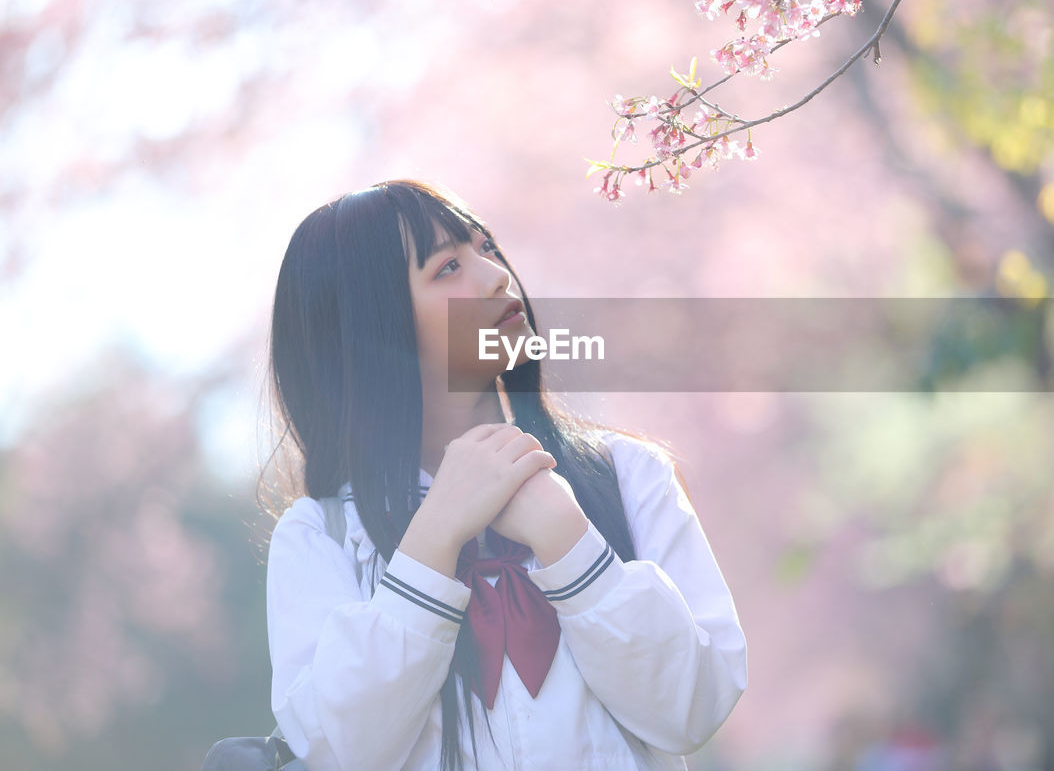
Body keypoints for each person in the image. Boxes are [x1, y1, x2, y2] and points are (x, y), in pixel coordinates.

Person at [262, 179, 748, 771]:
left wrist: (572, 545)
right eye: (447, 268)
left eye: (486, 247)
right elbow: (339, 750)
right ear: (370, 330)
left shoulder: (627, 478)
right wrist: (434, 537)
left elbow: (694, 711)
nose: (495, 276)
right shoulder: (323, 537)